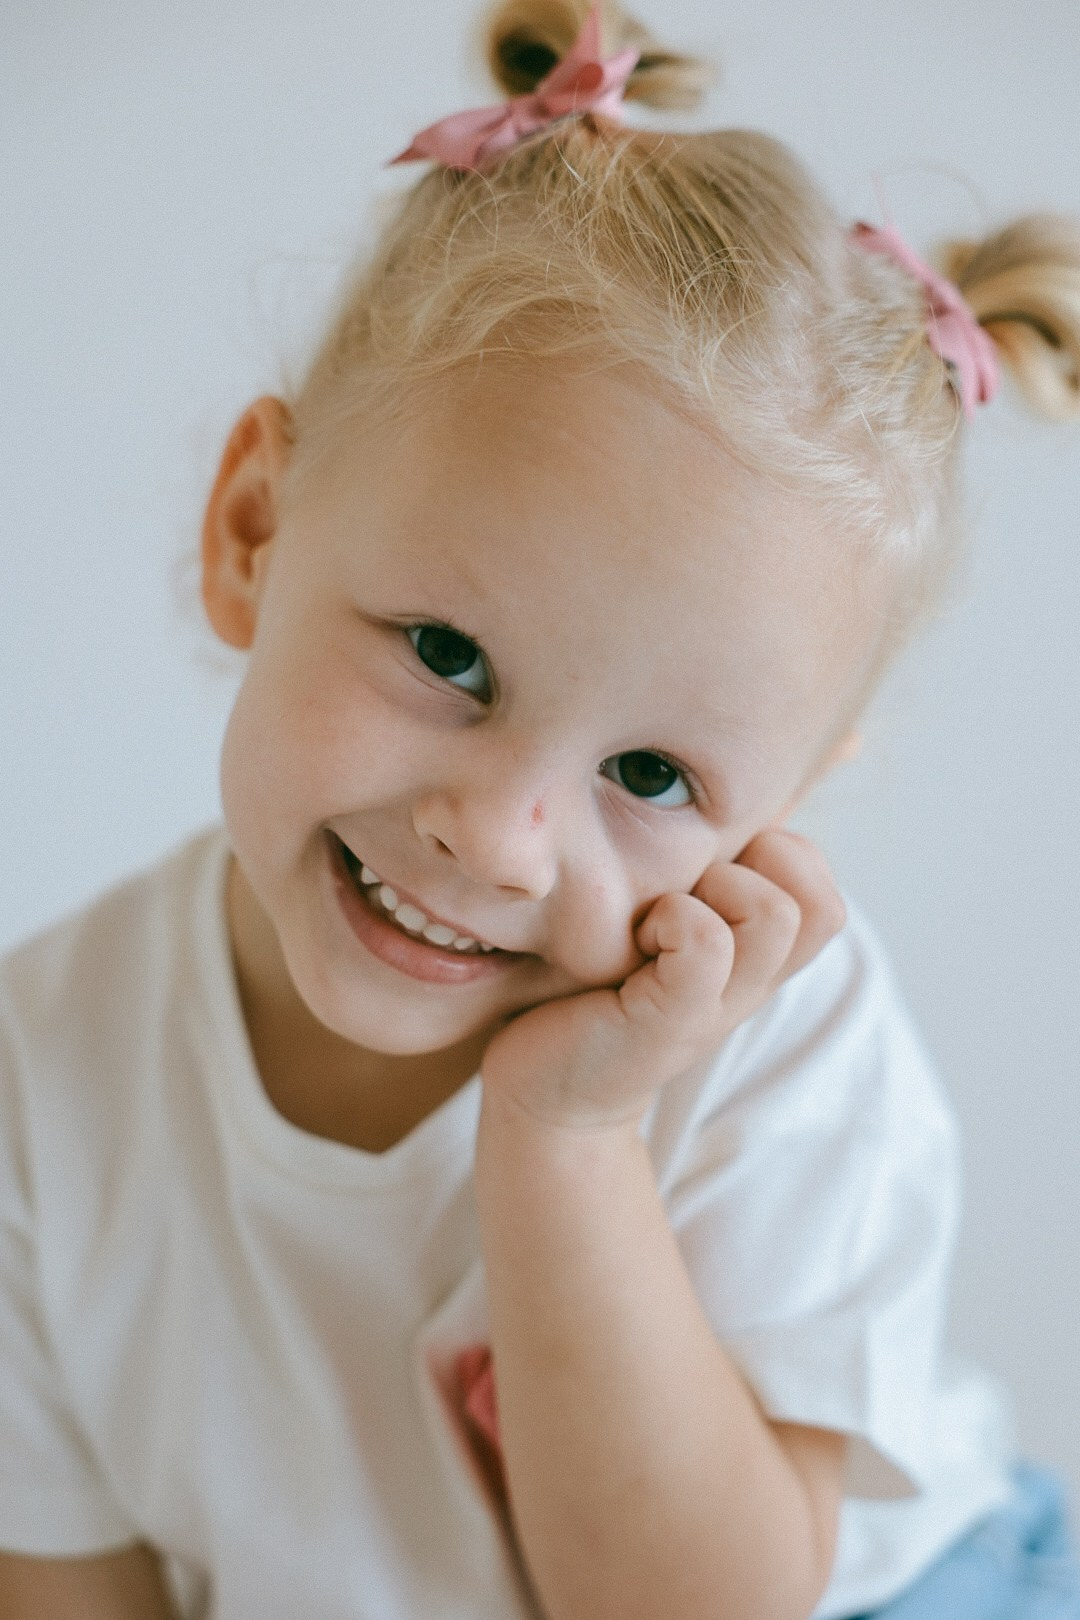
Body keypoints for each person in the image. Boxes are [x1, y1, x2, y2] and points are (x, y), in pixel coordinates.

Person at [1, 2, 1079, 1616]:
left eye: (652, 777)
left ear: (782, 812)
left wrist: (569, 1135)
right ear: (252, 529)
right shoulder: (45, 1080)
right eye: (448, 654)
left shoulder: (782, 1047)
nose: (498, 837)